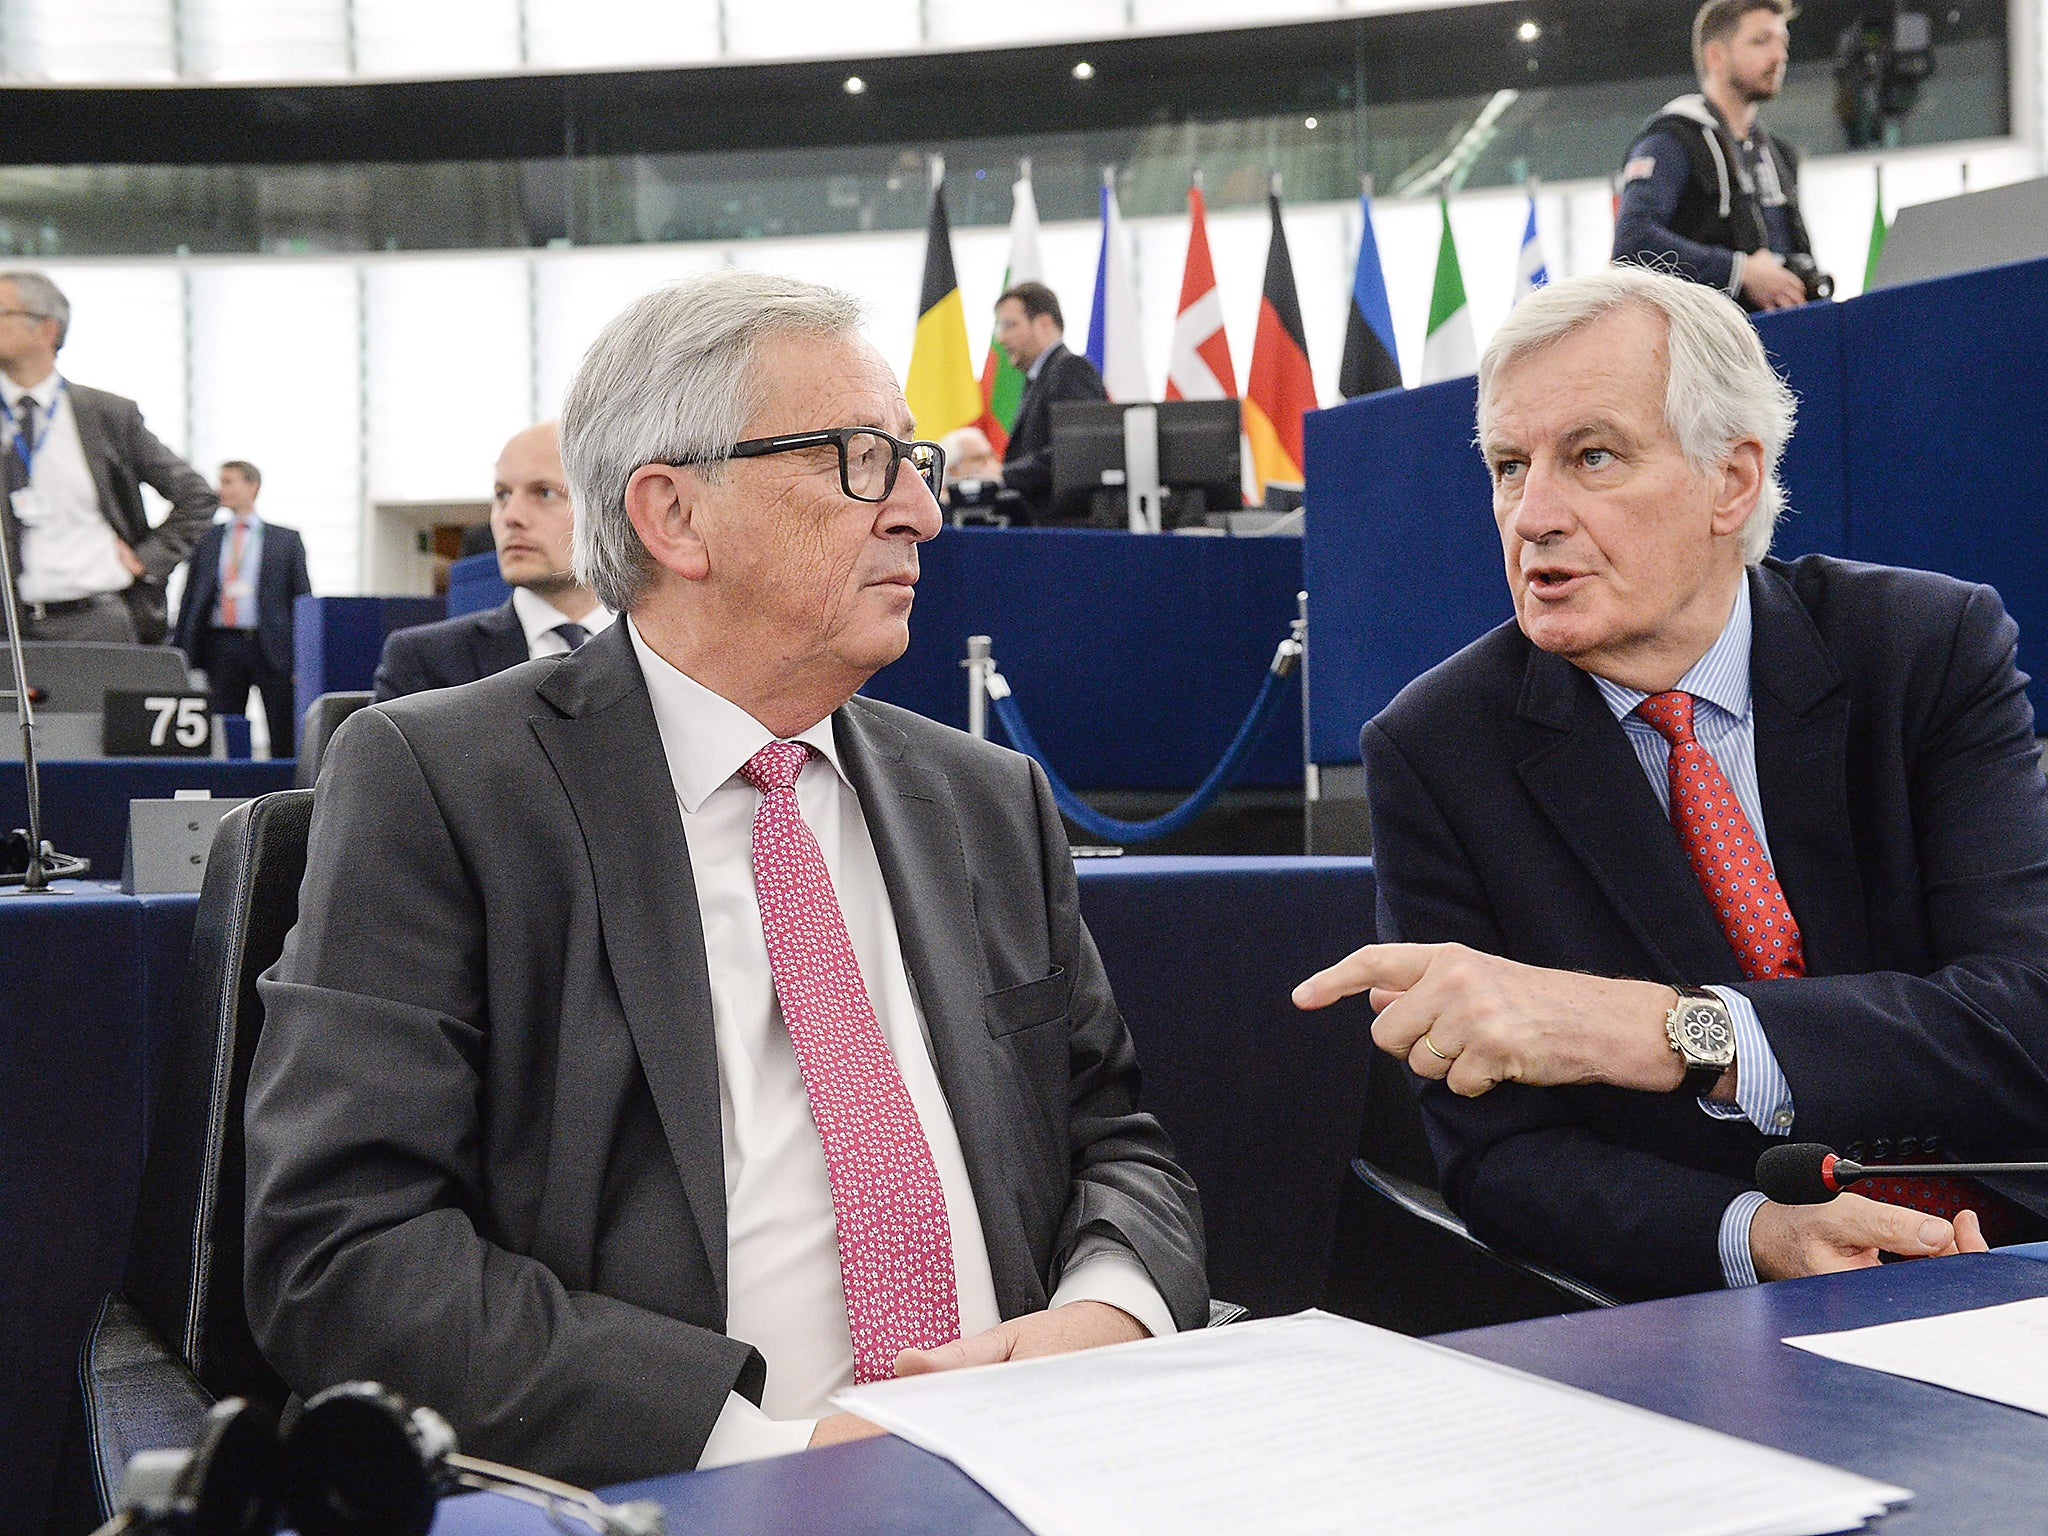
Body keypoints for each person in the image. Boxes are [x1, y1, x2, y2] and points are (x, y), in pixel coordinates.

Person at [244, 270, 1207, 1487]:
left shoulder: (983, 800)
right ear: (674, 517)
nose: (919, 508)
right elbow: (345, 1250)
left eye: (911, 457)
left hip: (1043, 1465)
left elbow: (1115, 1138)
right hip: (677, 1489)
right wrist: (754, 1451)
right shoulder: (441, 784)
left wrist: (1107, 1318)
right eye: (859, 458)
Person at [1294, 266, 2048, 1302]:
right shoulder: (1437, 748)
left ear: (1729, 482)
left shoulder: (1920, 652)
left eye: (1591, 456)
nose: (1533, 515)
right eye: (1509, 466)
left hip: (2007, 1244)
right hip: (1720, 1312)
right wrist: (1757, 1236)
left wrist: (1657, 1031)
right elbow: (1497, 1159)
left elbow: (2023, 1019)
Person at [0, 270, 216, 643]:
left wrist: (147, 560)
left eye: (3, 312)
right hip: (7, 626)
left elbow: (196, 496)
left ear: (46, 330)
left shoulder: (107, 415)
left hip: (96, 621)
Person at [372, 421, 614, 700]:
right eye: (502, 495)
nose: (511, 516)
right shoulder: (427, 662)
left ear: (605, 508)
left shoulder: (661, 651)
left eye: (544, 492)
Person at [1613, 0, 1826, 313]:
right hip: (1706, 346)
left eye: (1783, 43)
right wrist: (1741, 272)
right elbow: (1631, 245)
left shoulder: (1780, 154)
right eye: (1761, 41)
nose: (1779, 56)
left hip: (1785, 335)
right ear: (1716, 56)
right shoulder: (1672, 139)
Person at [173, 461, 312, 756]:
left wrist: (302, 659)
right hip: (222, 645)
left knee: (281, 728)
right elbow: (191, 596)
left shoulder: (285, 541)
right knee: (225, 728)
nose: (220, 489)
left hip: (271, 647)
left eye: (228, 481)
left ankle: (285, 797)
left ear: (252, 487)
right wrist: (182, 649)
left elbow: (302, 600)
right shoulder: (208, 538)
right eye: (220, 481)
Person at [992, 281, 1107, 523]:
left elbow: (1075, 452)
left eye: (1009, 325)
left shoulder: (1070, 369)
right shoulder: (1039, 377)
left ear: (1043, 323)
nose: (1001, 338)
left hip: (1065, 532)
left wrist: (1001, 474)